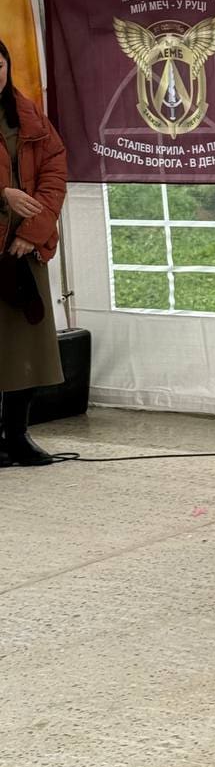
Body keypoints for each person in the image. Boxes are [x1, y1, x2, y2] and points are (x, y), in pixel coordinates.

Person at [0, 38, 67, 466]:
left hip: (23, 250)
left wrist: (33, 232)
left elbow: (54, 175)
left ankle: (17, 436)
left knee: (26, 346)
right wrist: (2, 194)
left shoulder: (29, 116)